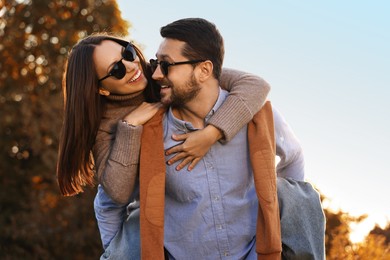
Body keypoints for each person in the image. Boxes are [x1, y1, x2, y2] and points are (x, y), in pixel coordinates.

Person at [56, 33, 272, 256]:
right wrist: (129, 126)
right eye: (116, 70)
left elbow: (255, 85)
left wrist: (211, 134)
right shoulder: (104, 126)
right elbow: (116, 194)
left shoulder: (162, 73)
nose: (131, 66)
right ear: (100, 88)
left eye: (128, 54)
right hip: (146, 217)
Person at [137, 18, 325, 259]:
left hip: (255, 254)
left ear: (204, 70)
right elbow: (114, 199)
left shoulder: (257, 116)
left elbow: (294, 157)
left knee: (305, 196)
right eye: (156, 63)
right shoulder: (152, 131)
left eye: (166, 65)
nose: (156, 74)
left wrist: (276, 219)